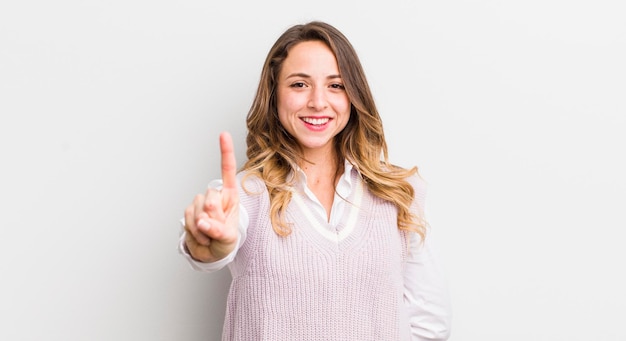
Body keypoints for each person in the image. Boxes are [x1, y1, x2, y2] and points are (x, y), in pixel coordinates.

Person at [179, 21, 451, 341]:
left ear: (353, 96)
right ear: (274, 94)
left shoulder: (401, 195)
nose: (318, 102)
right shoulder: (241, 196)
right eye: (299, 84)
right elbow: (210, 250)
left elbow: (430, 323)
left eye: (335, 85)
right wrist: (208, 245)